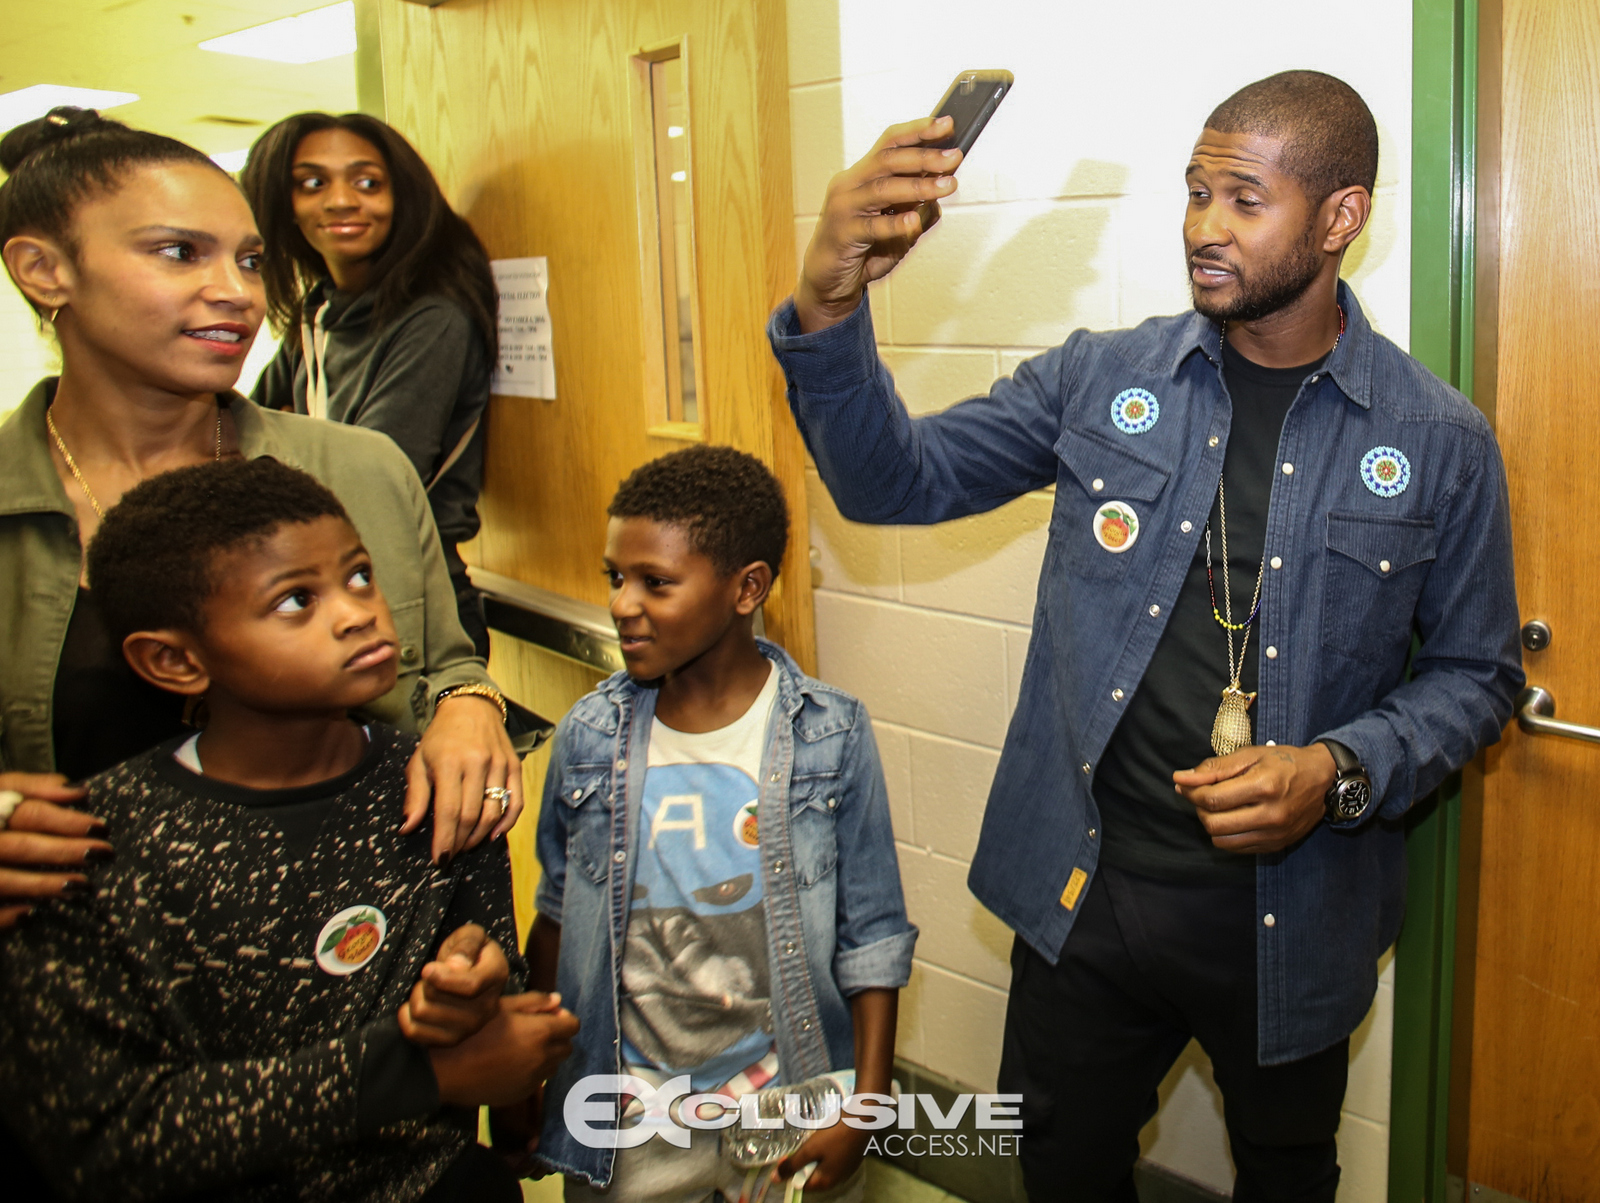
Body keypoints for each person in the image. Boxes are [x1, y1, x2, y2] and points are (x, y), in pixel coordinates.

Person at [767, 71, 1523, 1201]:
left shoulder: (1439, 440)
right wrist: (828, 303)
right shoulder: (1103, 379)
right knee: (1062, 1169)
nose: (1202, 228)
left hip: (1292, 923)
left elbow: (1477, 675)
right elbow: (890, 482)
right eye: (1193, 191)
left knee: (1284, 1175)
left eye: (1243, 199)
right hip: (1086, 905)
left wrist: (1336, 768)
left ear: (1340, 219)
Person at [0, 106, 523, 936]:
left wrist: (470, 705)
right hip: (91, 978)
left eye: (248, 259)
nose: (236, 292)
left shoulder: (362, 472)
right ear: (43, 269)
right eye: (180, 253)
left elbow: (443, 665)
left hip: (351, 955)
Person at [0, 457, 579, 1201]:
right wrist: (414, 1069)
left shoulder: (440, 782)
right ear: (175, 659)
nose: (356, 611)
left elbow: (498, 1009)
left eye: (361, 576)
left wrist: (477, 984)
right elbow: (107, 1135)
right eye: (296, 599)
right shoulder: (89, 845)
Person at [526, 446, 916, 1200]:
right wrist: (530, 1080)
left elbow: (874, 937)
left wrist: (863, 1105)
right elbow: (556, 916)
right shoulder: (588, 736)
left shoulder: (828, 735)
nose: (621, 603)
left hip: (784, 1100)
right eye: (615, 577)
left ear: (747, 588)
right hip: (630, 1114)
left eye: (656, 582)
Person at [243, 112, 498, 658]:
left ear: (401, 197)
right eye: (313, 183)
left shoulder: (434, 317)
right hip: (320, 595)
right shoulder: (315, 316)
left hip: (412, 600)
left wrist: (282, 458)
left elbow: (368, 482)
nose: (340, 201)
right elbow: (236, 437)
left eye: (367, 183)